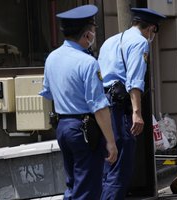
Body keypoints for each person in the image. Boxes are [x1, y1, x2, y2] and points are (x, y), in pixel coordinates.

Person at [39, 5, 118, 199]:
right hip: (84, 128)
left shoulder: (52, 58)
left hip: (63, 126)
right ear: (86, 35)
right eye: (92, 31)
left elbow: (47, 93)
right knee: (88, 187)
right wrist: (111, 141)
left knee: (73, 183)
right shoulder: (88, 62)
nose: (93, 35)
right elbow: (99, 107)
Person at [98, 7, 166, 199]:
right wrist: (137, 112)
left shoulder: (110, 41)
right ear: (151, 28)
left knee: (108, 159)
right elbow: (134, 80)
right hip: (119, 107)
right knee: (121, 163)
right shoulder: (139, 42)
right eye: (154, 31)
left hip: (102, 105)